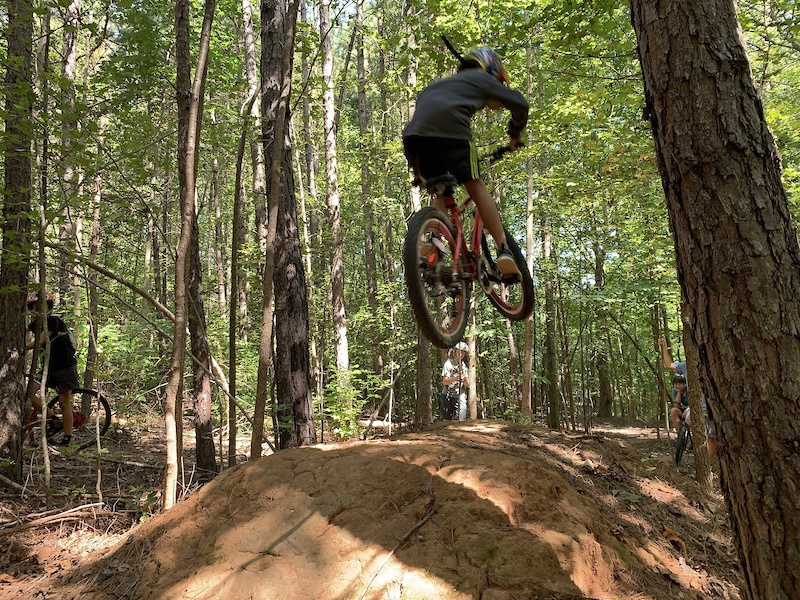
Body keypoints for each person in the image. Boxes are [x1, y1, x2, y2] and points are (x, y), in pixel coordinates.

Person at [402, 46, 529, 278]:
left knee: (440, 190)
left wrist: (416, 171)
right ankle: (503, 250)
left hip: (415, 140)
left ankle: (435, 242)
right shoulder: (480, 78)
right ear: (489, 67)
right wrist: (515, 134)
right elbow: (520, 104)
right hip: (453, 133)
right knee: (475, 185)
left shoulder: (436, 85)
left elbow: (423, 121)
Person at [25, 290, 79, 447]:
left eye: (41, 306)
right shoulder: (35, 324)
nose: (38, 310)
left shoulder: (54, 321)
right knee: (27, 393)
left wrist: (18, 348)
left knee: (64, 402)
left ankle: (67, 438)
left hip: (64, 367)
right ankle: (53, 418)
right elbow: (25, 331)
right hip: (48, 369)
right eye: (35, 307)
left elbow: (40, 342)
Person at [658, 337, 718, 461]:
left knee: (712, 437)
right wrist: (664, 347)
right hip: (696, 408)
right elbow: (669, 365)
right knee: (693, 426)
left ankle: (708, 465)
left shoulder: (714, 366)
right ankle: (684, 440)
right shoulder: (686, 367)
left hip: (713, 408)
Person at [441, 342, 469, 420]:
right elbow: (444, 381)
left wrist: (464, 379)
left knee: (462, 417)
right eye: (460, 351)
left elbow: (467, 384)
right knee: (446, 420)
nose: (461, 354)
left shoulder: (464, 367)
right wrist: (456, 378)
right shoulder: (448, 364)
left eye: (463, 352)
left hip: (460, 395)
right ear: (456, 351)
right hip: (447, 394)